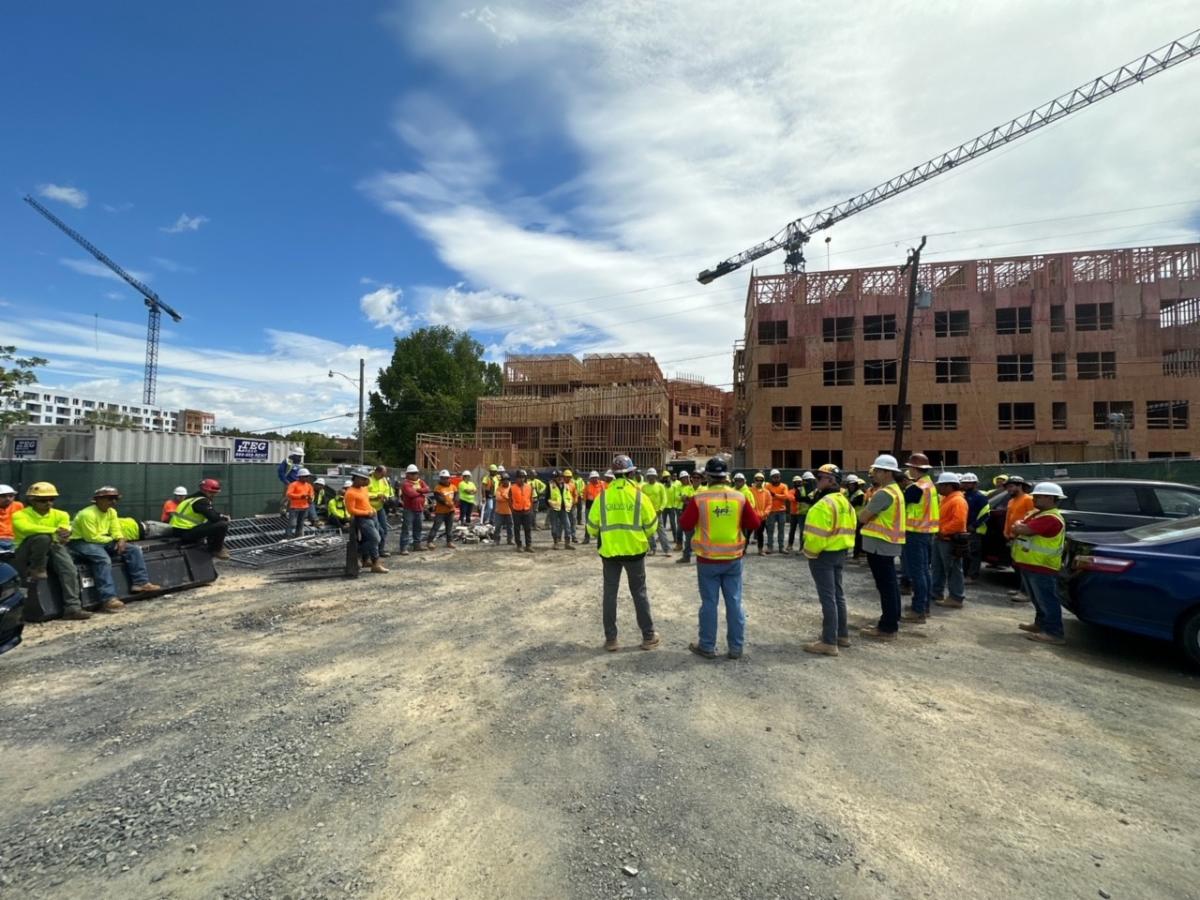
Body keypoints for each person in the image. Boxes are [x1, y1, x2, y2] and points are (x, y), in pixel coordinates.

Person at [680, 456, 761, 659]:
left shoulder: (700, 498)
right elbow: (754, 523)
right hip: (733, 559)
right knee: (734, 603)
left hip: (707, 560)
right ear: (726, 477)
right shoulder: (739, 497)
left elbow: (685, 524)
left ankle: (707, 646)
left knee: (709, 604)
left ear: (707, 476)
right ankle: (736, 648)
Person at [587, 455, 661, 652]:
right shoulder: (639, 496)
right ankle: (648, 636)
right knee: (639, 593)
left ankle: (611, 640)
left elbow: (592, 528)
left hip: (610, 553)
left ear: (612, 474)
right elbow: (653, 527)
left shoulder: (602, 497)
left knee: (610, 594)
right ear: (631, 473)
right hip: (635, 552)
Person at [68, 486, 161, 610]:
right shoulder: (87, 514)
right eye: (110, 499)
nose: (113, 502)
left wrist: (120, 539)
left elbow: (115, 529)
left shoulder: (111, 512)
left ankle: (140, 583)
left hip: (103, 539)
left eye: (115, 499)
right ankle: (108, 598)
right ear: (98, 500)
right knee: (102, 559)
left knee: (133, 550)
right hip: (81, 542)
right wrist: (114, 541)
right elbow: (91, 537)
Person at [802, 465, 856, 656]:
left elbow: (815, 537)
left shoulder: (823, 504)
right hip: (840, 552)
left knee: (828, 598)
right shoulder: (845, 503)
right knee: (838, 595)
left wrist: (810, 553)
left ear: (831, 480)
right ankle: (842, 635)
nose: (817, 481)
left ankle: (829, 642)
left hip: (823, 555)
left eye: (821, 478)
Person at [11, 482, 88, 620]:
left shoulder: (61, 514)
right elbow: (26, 529)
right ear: (32, 500)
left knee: (69, 569)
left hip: (53, 547)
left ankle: (72, 607)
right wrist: (54, 531)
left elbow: (64, 529)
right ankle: (37, 569)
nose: (48, 503)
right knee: (42, 537)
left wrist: (65, 534)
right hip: (25, 552)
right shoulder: (19, 515)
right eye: (43, 500)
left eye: (51, 499)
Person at [857, 455, 908, 642]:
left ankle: (887, 628)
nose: (875, 474)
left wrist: (865, 514)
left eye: (878, 471)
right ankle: (891, 619)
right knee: (891, 585)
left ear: (888, 473)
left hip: (880, 544)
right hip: (888, 543)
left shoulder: (884, 493)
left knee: (885, 586)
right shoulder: (895, 491)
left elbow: (863, 517)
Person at [1012, 482, 1068, 645]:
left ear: (1050, 498)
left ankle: (1054, 633)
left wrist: (1019, 526)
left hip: (1042, 565)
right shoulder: (1039, 514)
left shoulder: (1050, 518)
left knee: (1046, 599)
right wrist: (1019, 525)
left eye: (1038, 496)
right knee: (1038, 598)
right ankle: (1040, 624)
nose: (1034, 499)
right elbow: (1019, 524)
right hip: (1032, 564)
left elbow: (1023, 529)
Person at [899, 453, 940, 624]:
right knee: (924, 571)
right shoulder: (929, 485)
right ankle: (924, 607)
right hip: (926, 533)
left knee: (918, 573)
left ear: (916, 469)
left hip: (915, 533)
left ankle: (918, 610)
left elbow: (900, 502)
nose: (909, 471)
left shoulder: (917, 488)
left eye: (910, 467)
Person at [930, 472, 968, 612]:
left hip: (949, 540)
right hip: (942, 539)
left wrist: (942, 531)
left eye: (940, 485)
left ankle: (956, 597)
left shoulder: (957, 501)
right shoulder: (947, 499)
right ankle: (936, 593)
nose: (938, 488)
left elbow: (959, 522)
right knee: (937, 567)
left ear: (949, 486)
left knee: (953, 570)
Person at [170, 478, 231, 558]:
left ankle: (215, 546)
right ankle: (216, 549)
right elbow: (214, 518)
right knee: (222, 524)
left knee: (214, 522)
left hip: (178, 530)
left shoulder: (190, 498)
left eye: (215, 493)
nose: (214, 495)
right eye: (212, 492)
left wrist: (220, 515)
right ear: (205, 491)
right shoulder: (201, 501)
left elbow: (211, 514)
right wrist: (224, 517)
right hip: (185, 533)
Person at [346, 467, 386, 572]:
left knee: (372, 540)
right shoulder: (350, 493)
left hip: (372, 516)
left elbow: (365, 502)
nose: (366, 481)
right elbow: (351, 510)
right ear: (356, 478)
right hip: (363, 519)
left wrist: (372, 509)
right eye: (363, 479)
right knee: (375, 539)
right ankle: (358, 553)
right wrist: (366, 513)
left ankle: (374, 563)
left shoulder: (363, 489)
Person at [1004, 476, 1035, 602]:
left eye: (1011, 486)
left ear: (1020, 486)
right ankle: (1021, 588)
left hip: (1023, 537)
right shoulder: (1011, 501)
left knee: (1024, 565)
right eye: (1007, 487)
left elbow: (1032, 518)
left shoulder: (1028, 499)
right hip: (1013, 537)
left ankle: (1026, 592)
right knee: (1016, 564)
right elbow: (1008, 517)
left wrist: (1021, 531)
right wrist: (1006, 531)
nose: (1008, 490)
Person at [959, 473, 988, 582]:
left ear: (975, 484)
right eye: (964, 482)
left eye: (968, 483)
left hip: (974, 530)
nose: (966, 485)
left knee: (973, 554)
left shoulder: (980, 497)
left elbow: (985, 514)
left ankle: (972, 576)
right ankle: (965, 574)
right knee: (965, 553)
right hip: (964, 529)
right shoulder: (963, 496)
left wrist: (974, 525)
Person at [398, 464, 429, 555]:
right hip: (409, 509)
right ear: (408, 474)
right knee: (406, 528)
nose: (414, 475)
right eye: (412, 473)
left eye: (415, 473)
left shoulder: (420, 482)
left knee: (418, 528)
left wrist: (419, 491)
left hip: (419, 509)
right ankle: (403, 547)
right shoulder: (406, 483)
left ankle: (417, 545)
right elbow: (411, 494)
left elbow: (427, 489)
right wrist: (421, 492)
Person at [641, 468, 672, 557]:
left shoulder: (660, 486)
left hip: (658, 513)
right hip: (648, 514)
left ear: (655, 476)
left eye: (653, 476)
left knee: (661, 532)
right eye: (649, 476)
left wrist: (661, 509)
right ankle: (652, 549)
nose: (651, 478)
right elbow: (642, 500)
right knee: (650, 533)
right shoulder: (644, 487)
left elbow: (664, 499)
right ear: (647, 477)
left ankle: (666, 550)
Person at [427, 470, 458, 549]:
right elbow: (439, 498)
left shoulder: (453, 487)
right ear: (440, 479)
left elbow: (456, 496)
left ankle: (449, 542)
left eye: (446, 478)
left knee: (449, 527)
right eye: (443, 478)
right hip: (440, 511)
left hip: (450, 511)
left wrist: (454, 503)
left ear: (449, 478)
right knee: (436, 527)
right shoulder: (438, 488)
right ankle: (430, 542)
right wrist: (447, 504)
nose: (445, 480)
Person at [547, 470, 576, 550]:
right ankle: (555, 543)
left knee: (567, 525)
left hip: (564, 509)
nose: (560, 478)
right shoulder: (550, 485)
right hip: (554, 510)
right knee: (554, 526)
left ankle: (567, 543)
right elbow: (547, 497)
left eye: (561, 477)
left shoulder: (566, 486)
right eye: (558, 477)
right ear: (555, 478)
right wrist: (551, 505)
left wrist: (569, 504)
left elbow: (569, 496)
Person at [368, 466, 394, 556]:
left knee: (384, 529)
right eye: (382, 474)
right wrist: (376, 495)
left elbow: (387, 490)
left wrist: (385, 496)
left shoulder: (383, 480)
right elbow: (364, 493)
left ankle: (381, 550)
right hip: (370, 509)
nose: (383, 476)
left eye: (384, 475)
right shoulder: (368, 479)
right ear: (377, 472)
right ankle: (372, 552)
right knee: (377, 530)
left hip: (380, 507)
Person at [764, 469, 791, 554]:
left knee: (781, 530)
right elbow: (766, 496)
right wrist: (779, 496)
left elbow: (786, 497)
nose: (776, 478)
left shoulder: (784, 486)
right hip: (771, 511)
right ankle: (770, 547)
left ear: (780, 477)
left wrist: (774, 495)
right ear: (771, 477)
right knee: (770, 530)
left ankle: (781, 548)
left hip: (781, 511)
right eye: (774, 477)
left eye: (777, 477)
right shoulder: (767, 486)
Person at [284, 468, 315, 538]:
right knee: (292, 524)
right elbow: (288, 494)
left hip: (304, 507)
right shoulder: (293, 484)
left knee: (300, 524)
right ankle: (288, 536)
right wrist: (300, 496)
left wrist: (310, 498)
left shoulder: (309, 486)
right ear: (300, 477)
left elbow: (312, 494)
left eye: (307, 476)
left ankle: (298, 536)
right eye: (305, 476)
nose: (307, 478)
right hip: (295, 507)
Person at [785, 475, 811, 555]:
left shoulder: (803, 490)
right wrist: (799, 498)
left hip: (801, 513)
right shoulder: (791, 491)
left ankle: (801, 547)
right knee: (792, 530)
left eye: (799, 482)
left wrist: (800, 498)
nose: (797, 483)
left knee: (802, 531)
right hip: (793, 513)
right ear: (793, 483)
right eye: (796, 482)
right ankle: (790, 545)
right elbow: (791, 498)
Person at [674, 472, 697, 562]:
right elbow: (679, 497)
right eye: (682, 478)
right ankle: (680, 545)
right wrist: (686, 499)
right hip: (682, 510)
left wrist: (688, 499)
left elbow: (691, 498)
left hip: (695, 511)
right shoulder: (681, 488)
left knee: (693, 532)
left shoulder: (696, 488)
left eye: (686, 478)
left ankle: (693, 548)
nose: (685, 479)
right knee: (681, 529)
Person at [510, 469, 534, 552]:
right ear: (516, 478)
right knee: (517, 529)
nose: (521, 479)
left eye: (523, 477)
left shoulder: (529, 487)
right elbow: (510, 500)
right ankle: (519, 545)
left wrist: (530, 509)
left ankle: (528, 545)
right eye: (519, 477)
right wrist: (512, 509)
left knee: (528, 529)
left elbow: (531, 499)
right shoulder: (512, 488)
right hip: (516, 511)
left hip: (527, 511)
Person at [748, 473, 772, 556]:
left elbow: (769, 504)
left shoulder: (767, 492)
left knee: (760, 534)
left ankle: (760, 550)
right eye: (757, 480)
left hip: (762, 517)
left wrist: (765, 513)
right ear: (754, 480)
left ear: (763, 481)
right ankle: (743, 549)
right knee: (747, 534)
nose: (759, 481)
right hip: (751, 517)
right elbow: (748, 502)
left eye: (761, 480)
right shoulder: (749, 490)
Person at [845, 475, 866, 561]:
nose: (851, 486)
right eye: (850, 484)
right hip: (848, 517)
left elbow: (852, 504)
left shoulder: (860, 494)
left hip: (858, 518)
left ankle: (856, 555)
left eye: (853, 484)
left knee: (857, 537)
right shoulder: (846, 492)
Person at [582, 472, 604, 545]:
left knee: (601, 523)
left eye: (595, 477)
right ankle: (586, 538)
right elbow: (584, 495)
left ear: (598, 478)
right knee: (588, 523)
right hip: (589, 506)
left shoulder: (603, 485)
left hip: (600, 506)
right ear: (590, 479)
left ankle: (600, 539)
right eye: (592, 478)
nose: (594, 479)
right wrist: (587, 501)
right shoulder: (588, 486)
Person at [0, 484, 23, 553]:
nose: (8, 498)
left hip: (15, 539)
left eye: (11, 496)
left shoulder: (18, 505)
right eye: (3, 496)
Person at [494, 471, 514, 545]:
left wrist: (504, 496)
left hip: (509, 511)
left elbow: (513, 498)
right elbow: (498, 498)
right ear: (502, 481)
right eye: (504, 480)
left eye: (507, 480)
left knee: (510, 527)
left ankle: (510, 540)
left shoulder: (512, 488)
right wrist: (507, 497)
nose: (505, 481)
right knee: (498, 526)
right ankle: (496, 540)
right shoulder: (498, 489)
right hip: (499, 512)